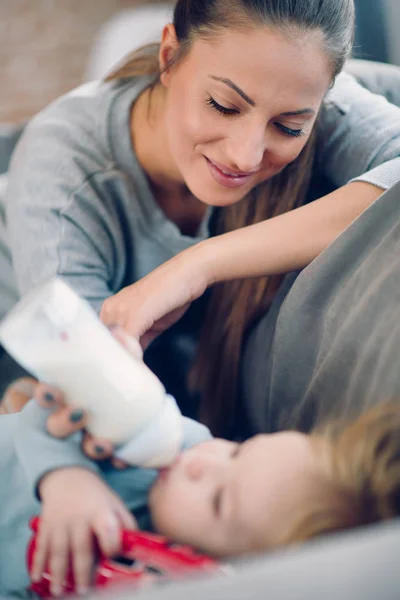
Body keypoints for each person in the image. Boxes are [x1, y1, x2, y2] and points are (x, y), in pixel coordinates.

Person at [1, 0, 400, 429]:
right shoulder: (62, 169)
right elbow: (98, 396)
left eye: (288, 127)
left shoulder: (308, 89)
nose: (244, 156)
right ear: (169, 56)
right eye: (223, 105)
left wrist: (198, 265)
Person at [1, 330, 400, 597]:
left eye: (218, 500)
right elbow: (49, 411)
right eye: (237, 450)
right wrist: (67, 477)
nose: (202, 461)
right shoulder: (172, 443)